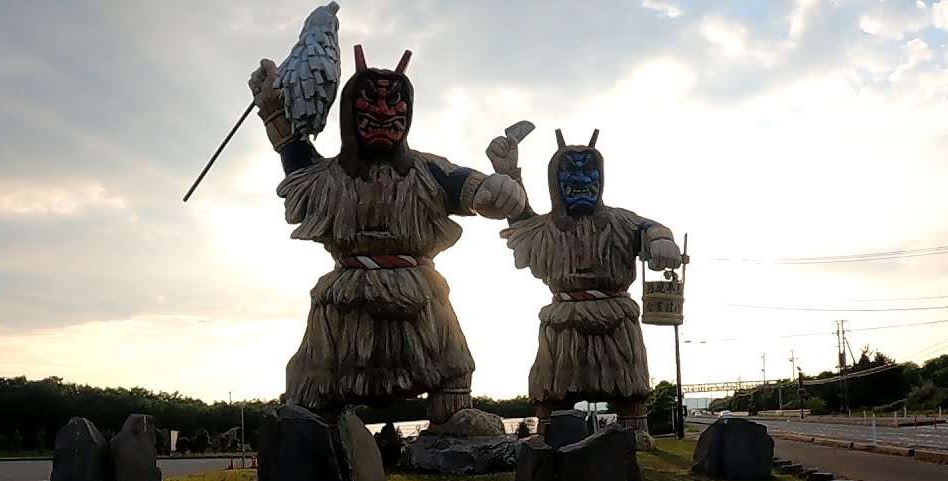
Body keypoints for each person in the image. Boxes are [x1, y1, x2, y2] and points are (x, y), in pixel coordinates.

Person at [249, 46, 527, 424]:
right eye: (370, 101)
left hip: (420, 297)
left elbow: (472, 188)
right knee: (316, 383)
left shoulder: (430, 171)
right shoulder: (327, 178)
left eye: (394, 102)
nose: (382, 112)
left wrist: (500, 187)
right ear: (349, 111)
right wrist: (274, 110)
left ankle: (451, 419)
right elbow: (294, 155)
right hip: (346, 299)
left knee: (449, 371)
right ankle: (313, 433)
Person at [486, 128, 683, 441]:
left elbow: (650, 228)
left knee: (630, 392)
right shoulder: (546, 227)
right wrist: (509, 173)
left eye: (589, 172)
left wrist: (661, 240)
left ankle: (635, 434)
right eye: (569, 172)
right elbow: (521, 222)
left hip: (616, 316)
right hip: (564, 319)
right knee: (553, 392)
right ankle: (551, 433)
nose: (580, 181)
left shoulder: (621, 221)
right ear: (553, 180)